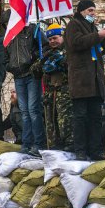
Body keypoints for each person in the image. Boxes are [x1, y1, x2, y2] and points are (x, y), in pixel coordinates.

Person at [63, 0, 105, 161]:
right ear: (82, 11)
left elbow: (99, 51)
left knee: (95, 119)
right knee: (80, 117)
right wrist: (98, 35)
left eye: (94, 11)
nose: (93, 14)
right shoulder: (74, 25)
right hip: (81, 81)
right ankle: (80, 150)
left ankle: (95, 150)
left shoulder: (92, 27)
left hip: (94, 82)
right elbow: (76, 43)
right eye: (90, 10)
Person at [4, 10, 47, 155]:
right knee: (24, 112)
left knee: (33, 110)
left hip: (32, 74)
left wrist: (33, 60)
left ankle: (38, 143)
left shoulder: (32, 29)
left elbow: (44, 47)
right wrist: (9, 66)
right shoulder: (9, 36)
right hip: (18, 76)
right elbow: (4, 56)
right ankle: (26, 143)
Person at [32, 23, 73, 151]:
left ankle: (69, 145)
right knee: (51, 124)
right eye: (50, 39)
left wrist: (62, 61)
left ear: (62, 37)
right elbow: (34, 71)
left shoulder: (70, 50)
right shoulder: (47, 53)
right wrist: (44, 60)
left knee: (65, 121)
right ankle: (54, 147)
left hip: (65, 93)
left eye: (55, 38)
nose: (52, 41)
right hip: (50, 95)